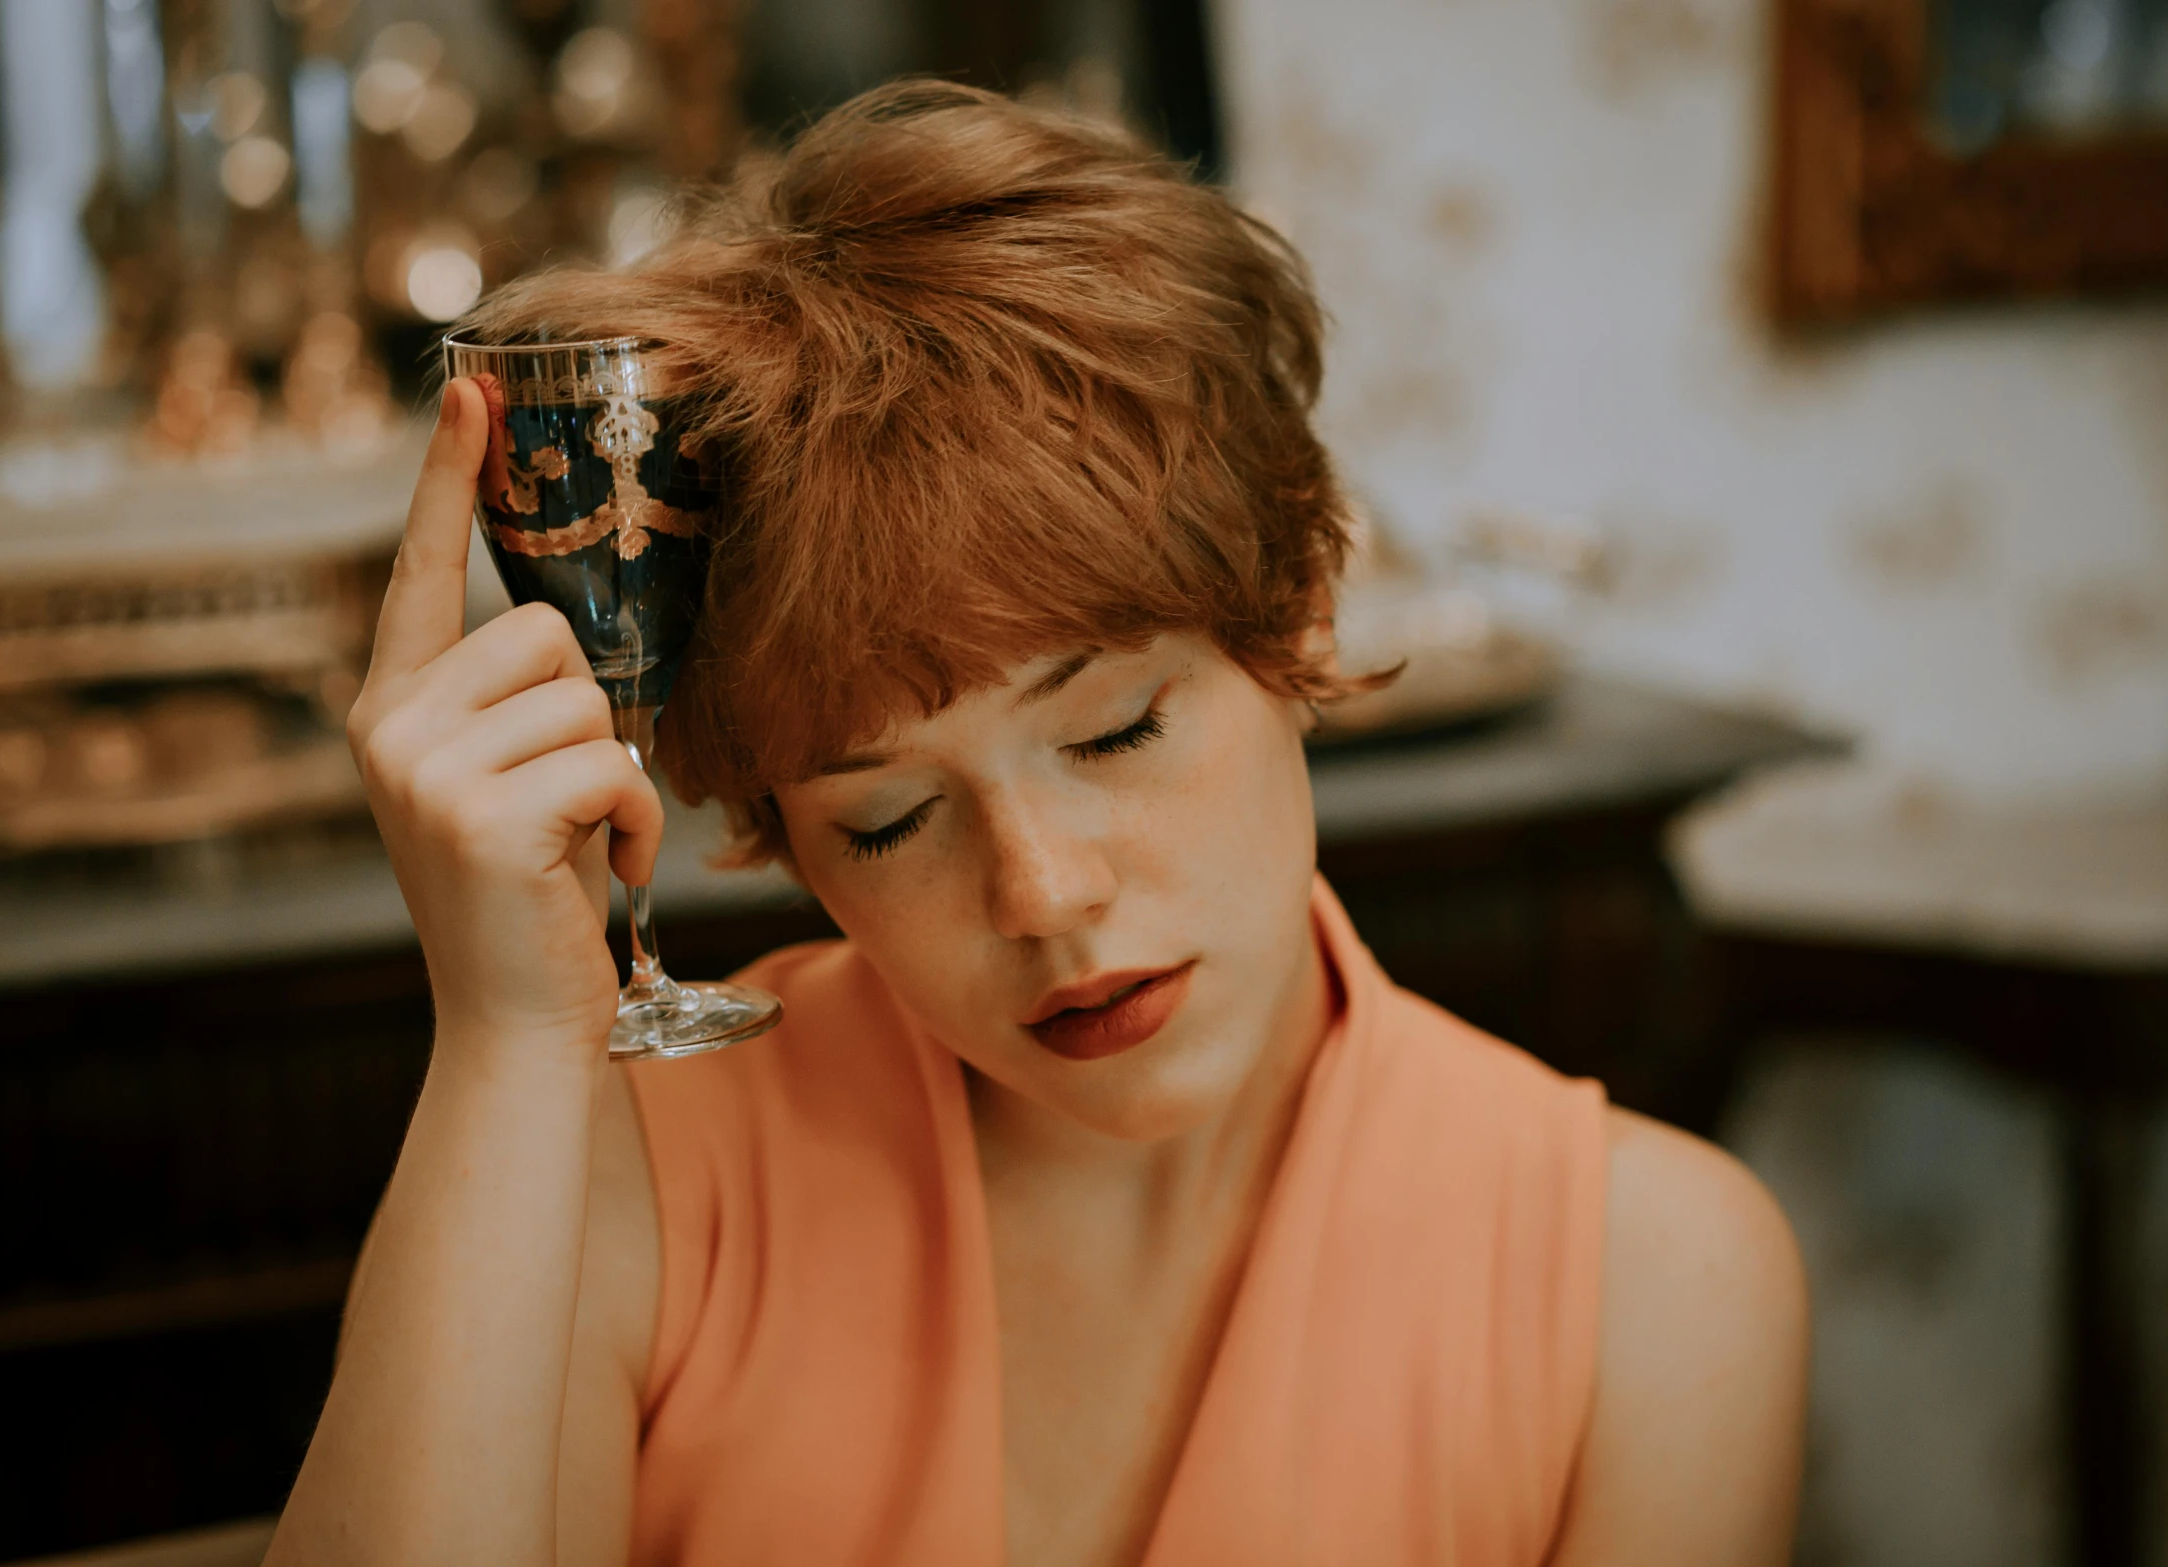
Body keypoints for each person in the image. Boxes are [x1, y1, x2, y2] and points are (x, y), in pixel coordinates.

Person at [265, 81, 1806, 1567]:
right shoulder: (628, 1178)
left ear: (1301, 604)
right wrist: (500, 1037)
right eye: (885, 821)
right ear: (773, 833)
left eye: (1116, 727)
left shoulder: (1648, 1285)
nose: (1044, 895)